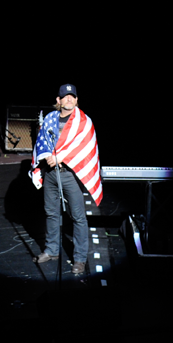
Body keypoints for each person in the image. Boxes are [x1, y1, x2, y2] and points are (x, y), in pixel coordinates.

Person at [30, 84, 103, 274]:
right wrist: (47, 155)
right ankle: (51, 250)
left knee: (78, 216)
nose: (69, 99)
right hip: (50, 173)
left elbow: (83, 146)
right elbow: (42, 141)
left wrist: (60, 157)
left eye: (72, 96)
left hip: (70, 175)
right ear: (59, 100)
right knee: (51, 213)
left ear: (77, 100)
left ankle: (79, 259)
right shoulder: (50, 118)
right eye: (65, 96)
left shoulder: (84, 122)